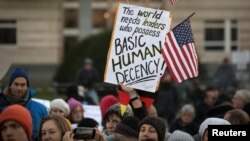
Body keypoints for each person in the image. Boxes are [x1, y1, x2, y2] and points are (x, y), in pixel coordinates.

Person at [0, 68, 48, 140]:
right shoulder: (1, 107)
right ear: (10, 85)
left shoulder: (40, 109)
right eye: (16, 84)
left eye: (22, 85)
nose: (19, 88)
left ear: (27, 87)